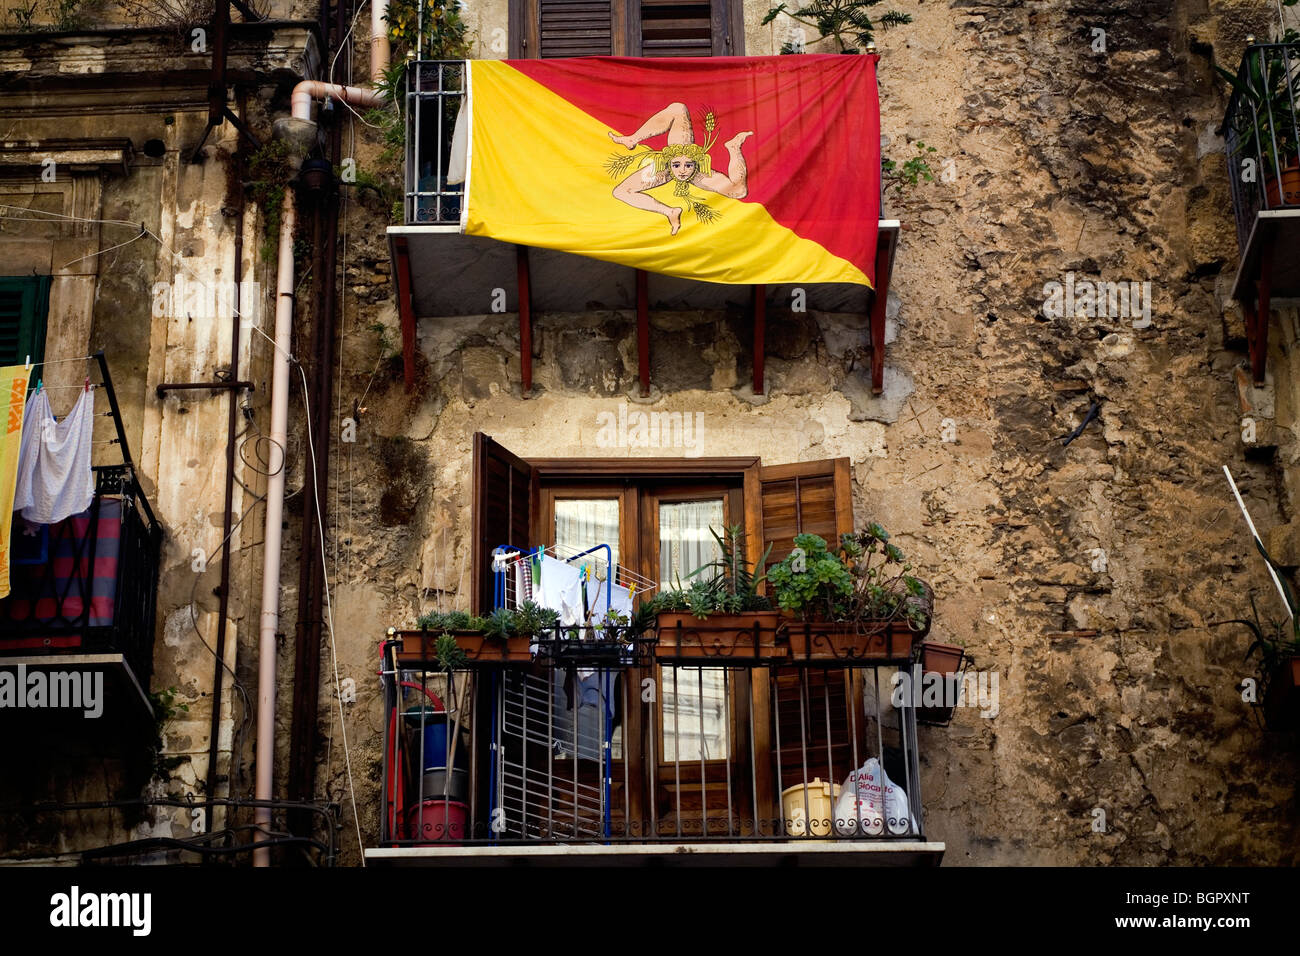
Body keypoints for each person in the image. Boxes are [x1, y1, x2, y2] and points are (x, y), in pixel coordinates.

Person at [605, 102, 753, 235]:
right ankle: (670, 211)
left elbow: (739, 191)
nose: (682, 171)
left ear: (696, 164)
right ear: (669, 163)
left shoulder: (698, 171)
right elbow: (677, 110)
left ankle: (733, 146)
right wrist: (666, 210)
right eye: (677, 165)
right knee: (620, 191)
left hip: (694, 170)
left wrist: (735, 150)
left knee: (739, 191)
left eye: (688, 166)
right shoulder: (664, 167)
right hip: (667, 166)